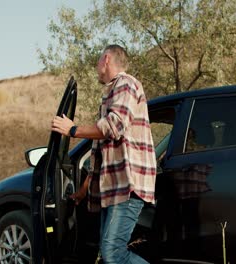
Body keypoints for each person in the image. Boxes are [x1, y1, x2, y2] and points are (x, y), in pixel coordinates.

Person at [51, 44, 156, 264]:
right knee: (107, 254)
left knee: (113, 253)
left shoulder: (126, 84)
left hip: (128, 185)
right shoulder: (110, 94)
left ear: (106, 59)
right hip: (113, 188)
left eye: (98, 60)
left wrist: (73, 129)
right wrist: (83, 191)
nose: (97, 66)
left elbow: (114, 126)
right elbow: (99, 153)